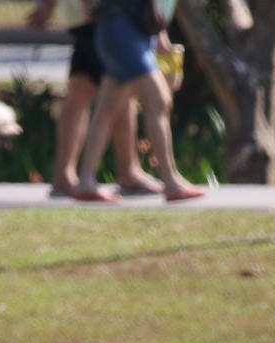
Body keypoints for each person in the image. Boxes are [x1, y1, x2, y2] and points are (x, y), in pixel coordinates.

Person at [70, 0, 204, 203]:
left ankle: (86, 181)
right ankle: (171, 181)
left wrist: (159, 34)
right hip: (122, 31)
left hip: (129, 30)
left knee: (107, 109)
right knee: (159, 100)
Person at [27, 0, 163, 197]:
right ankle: (127, 171)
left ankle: (64, 174)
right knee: (121, 90)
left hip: (83, 17)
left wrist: (48, 4)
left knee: (80, 90)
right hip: (99, 14)